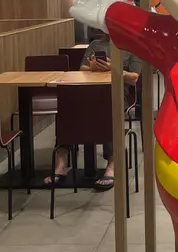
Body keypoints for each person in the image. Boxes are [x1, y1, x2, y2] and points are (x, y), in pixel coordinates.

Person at [46, 33, 141, 190]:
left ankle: (112, 165)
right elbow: (82, 68)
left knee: (108, 108)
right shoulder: (96, 44)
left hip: (116, 94)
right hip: (88, 91)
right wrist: (92, 67)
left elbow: (134, 78)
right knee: (67, 106)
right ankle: (60, 164)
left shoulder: (132, 46)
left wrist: (114, 69)